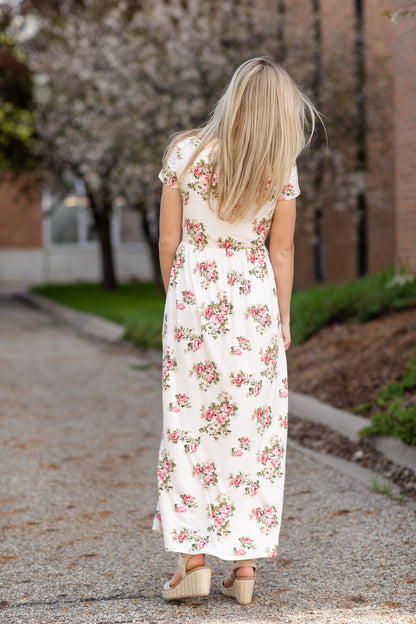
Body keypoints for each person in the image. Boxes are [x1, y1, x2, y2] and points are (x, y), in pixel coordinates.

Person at [152, 57, 321, 604]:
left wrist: (176, 298)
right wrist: (284, 317)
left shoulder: (185, 152)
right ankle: (245, 569)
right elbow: (284, 249)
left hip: (195, 297)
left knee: (189, 424)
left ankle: (193, 563)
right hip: (253, 300)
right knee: (253, 431)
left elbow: (169, 242)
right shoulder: (281, 167)